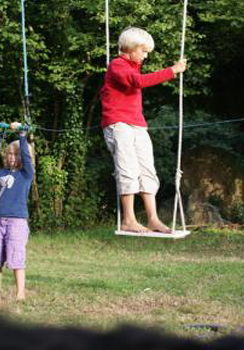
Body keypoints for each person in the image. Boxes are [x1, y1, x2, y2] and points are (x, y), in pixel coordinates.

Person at [100, 26, 187, 233]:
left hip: (137, 123)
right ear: (131, 48)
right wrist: (171, 70)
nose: (146, 56)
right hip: (118, 123)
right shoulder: (117, 65)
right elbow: (138, 82)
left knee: (147, 168)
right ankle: (128, 219)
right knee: (127, 168)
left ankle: (153, 218)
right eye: (144, 51)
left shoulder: (132, 66)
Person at [0, 122, 34, 304]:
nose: (12, 157)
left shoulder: (26, 173)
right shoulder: (1, 172)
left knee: (16, 258)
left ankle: (20, 294)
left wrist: (22, 136)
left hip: (17, 221)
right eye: (9, 153)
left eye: (16, 154)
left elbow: (25, 156)